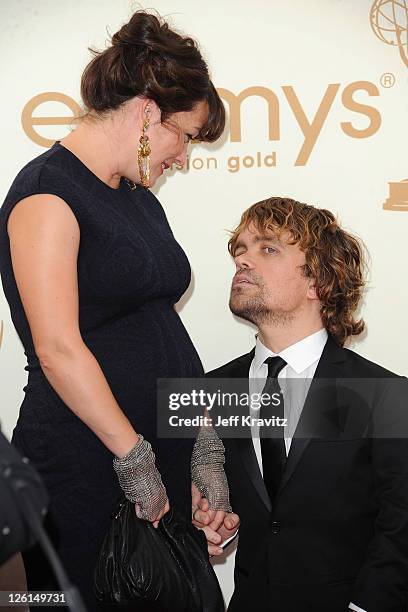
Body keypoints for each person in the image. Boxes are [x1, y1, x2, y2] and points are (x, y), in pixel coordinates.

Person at [0, 10, 232, 610]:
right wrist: (135, 460)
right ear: (150, 112)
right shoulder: (47, 193)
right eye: (186, 135)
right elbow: (57, 349)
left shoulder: (137, 199)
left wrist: (202, 443)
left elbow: (161, 332)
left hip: (155, 457)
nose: (183, 157)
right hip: (86, 464)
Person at [194, 197, 408, 612]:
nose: (243, 260)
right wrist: (213, 523)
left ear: (319, 282)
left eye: (267, 248)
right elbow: (229, 502)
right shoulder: (212, 388)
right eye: (240, 249)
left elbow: (401, 523)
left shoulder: (382, 391)